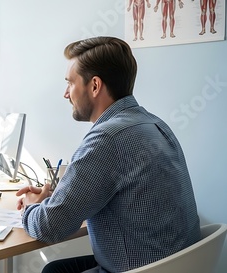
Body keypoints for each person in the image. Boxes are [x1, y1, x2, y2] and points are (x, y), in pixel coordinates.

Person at [16, 36, 200, 273]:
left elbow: (51, 227)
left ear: (94, 86)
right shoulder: (155, 124)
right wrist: (58, 197)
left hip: (141, 267)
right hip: (179, 263)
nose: (65, 93)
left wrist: (31, 207)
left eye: (70, 83)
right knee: (55, 270)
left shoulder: (107, 138)